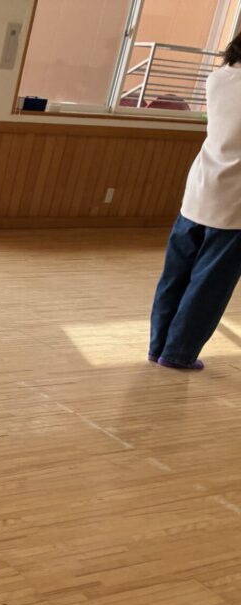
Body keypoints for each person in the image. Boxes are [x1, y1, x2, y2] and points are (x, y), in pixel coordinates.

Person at [148, 31, 241, 371]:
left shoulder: (217, 79)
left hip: (200, 189)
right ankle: (178, 354)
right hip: (234, 204)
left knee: (175, 275)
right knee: (209, 285)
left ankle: (158, 346)